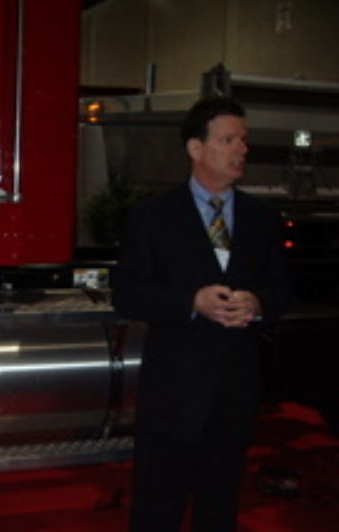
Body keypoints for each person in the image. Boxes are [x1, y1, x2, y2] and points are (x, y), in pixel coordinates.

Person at [112, 95, 290, 531]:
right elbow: (128, 293)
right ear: (195, 148)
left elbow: (283, 289)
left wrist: (259, 304)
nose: (241, 150)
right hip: (174, 391)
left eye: (243, 140)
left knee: (220, 505)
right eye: (228, 140)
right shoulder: (152, 216)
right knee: (158, 506)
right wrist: (191, 303)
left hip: (235, 391)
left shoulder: (262, 218)